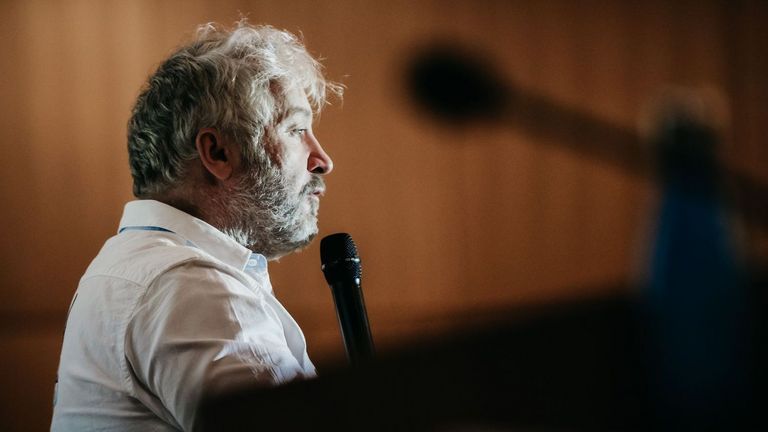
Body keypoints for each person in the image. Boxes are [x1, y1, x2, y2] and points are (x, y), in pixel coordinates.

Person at [51, 21, 341, 431]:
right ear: (217, 152)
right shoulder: (189, 286)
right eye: (296, 130)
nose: (323, 160)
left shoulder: (140, 267)